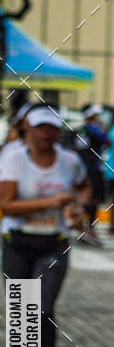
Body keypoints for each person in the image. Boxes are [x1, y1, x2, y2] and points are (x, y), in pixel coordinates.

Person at [0, 106, 91, 347]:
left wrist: (80, 208)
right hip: (17, 242)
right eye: (40, 128)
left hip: (54, 243)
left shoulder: (70, 160)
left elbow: (84, 187)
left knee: (42, 310)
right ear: (29, 129)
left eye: (52, 128)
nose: (46, 134)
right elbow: (6, 205)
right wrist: (51, 201)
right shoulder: (13, 158)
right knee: (21, 312)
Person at [75, 104, 109, 246]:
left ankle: (84, 227)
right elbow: (107, 140)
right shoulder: (93, 128)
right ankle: (88, 228)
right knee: (93, 198)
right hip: (92, 168)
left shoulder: (81, 128)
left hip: (84, 166)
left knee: (84, 197)